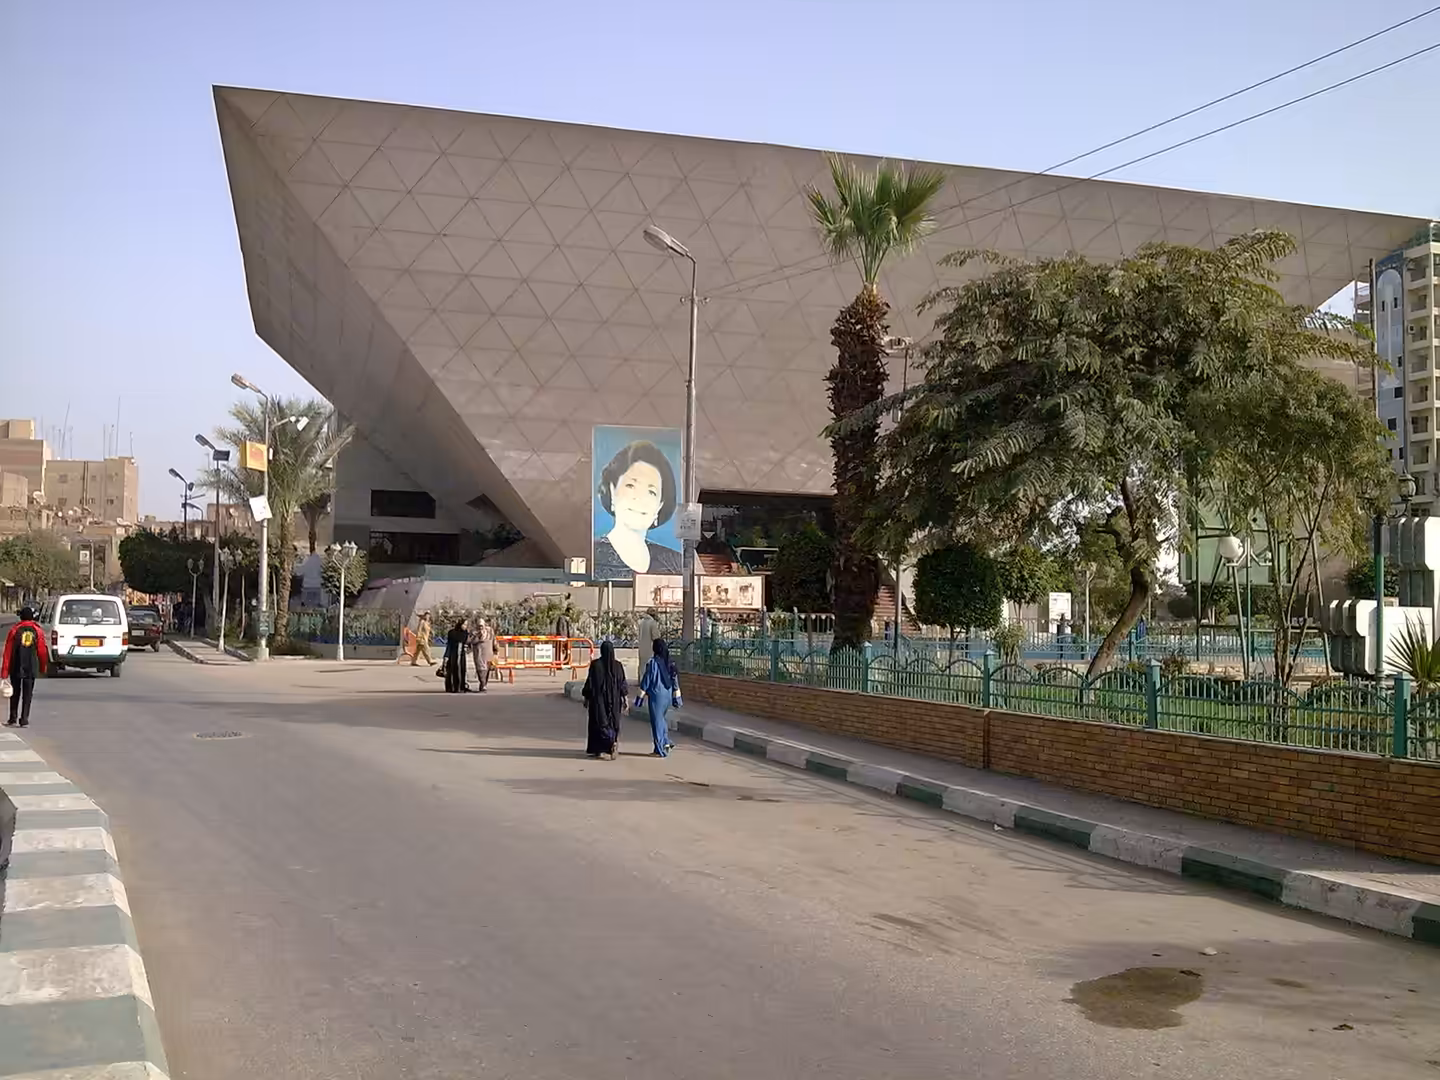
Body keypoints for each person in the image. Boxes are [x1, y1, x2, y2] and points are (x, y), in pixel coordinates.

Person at [592, 441, 683, 580]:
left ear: (660, 505)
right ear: (612, 490)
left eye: (651, 492)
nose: (640, 498)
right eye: (630, 485)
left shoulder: (676, 563)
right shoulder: (592, 556)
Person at [3, 606, 50, 728]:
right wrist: (43, 667)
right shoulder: (37, 631)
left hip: (16, 666)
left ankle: (12, 718)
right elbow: (42, 651)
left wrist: (4, 671)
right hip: (31, 666)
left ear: (21, 617)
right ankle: (24, 719)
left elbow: (8, 652)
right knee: (28, 694)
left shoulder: (14, 630)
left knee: (15, 693)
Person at [581, 640, 627, 759]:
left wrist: (586, 697)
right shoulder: (618, 666)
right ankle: (612, 742)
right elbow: (622, 683)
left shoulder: (596, 665)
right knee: (613, 723)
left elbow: (590, 683)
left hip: (598, 700)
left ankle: (600, 748)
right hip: (615, 700)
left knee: (599, 723)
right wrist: (625, 698)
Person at [638, 638, 680, 757]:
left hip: (656, 696)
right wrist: (677, 698)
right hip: (667, 696)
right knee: (662, 720)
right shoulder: (670, 663)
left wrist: (639, 699)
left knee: (656, 722)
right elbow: (675, 681)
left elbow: (646, 681)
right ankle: (666, 742)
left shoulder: (653, 663)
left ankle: (660, 750)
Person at [442, 618, 469, 693]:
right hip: (453, 654)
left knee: (462, 670)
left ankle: (461, 686)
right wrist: (446, 656)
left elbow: (467, 643)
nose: (465, 626)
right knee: (453, 670)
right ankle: (453, 687)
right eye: (464, 624)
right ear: (460, 624)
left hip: (462, 655)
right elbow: (449, 645)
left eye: (466, 625)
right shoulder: (452, 633)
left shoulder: (465, 633)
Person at [470, 617, 495, 691]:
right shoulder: (474, 632)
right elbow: (470, 641)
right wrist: (477, 636)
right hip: (479, 653)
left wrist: (495, 649)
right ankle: (482, 683)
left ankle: (484, 684)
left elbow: (494, 640)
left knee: (487, 669)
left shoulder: (490, 631)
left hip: (488, 652)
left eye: (482, 626)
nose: (480, 627)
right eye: (479, 626)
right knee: (480, 668)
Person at [555, 601, 573, 666]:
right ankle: (559, 663)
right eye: (570, 613)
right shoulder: (561, 618)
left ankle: (567, 662)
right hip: (562, 638)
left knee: (568, 651)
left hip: (568, 638)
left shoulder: (569, 619)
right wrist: (562, 637)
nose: (570, 614)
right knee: (560, 651)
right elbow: (560, 628)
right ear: (566, 612)